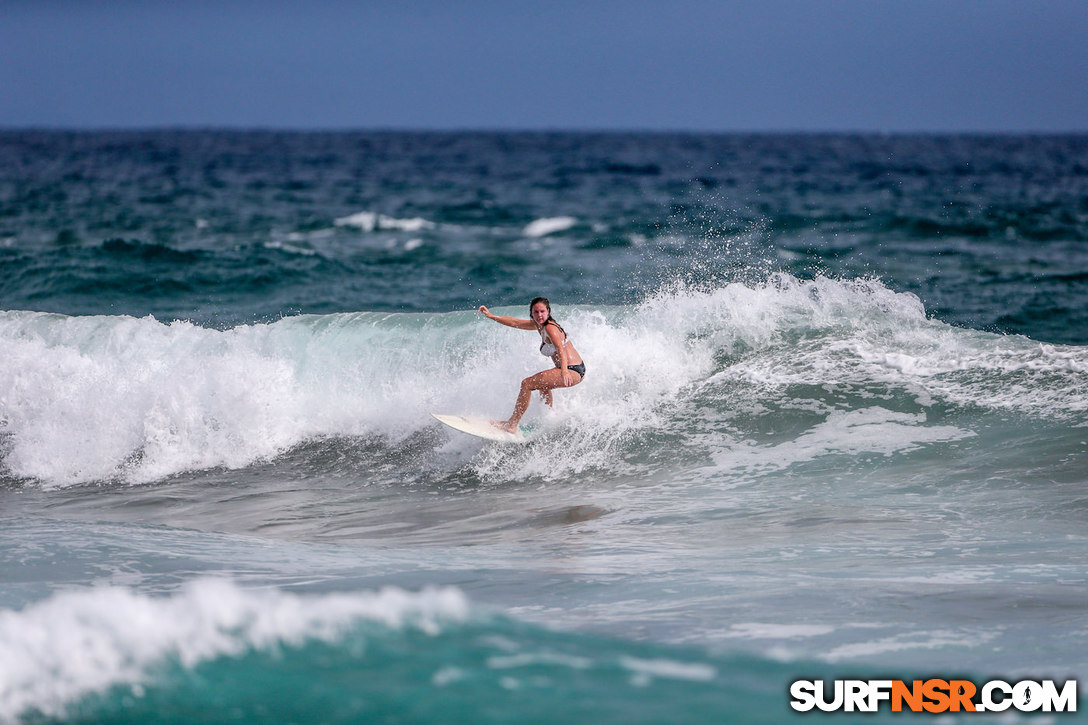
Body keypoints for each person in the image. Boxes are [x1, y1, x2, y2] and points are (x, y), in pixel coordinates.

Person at [478, 297, 585, 433]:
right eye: (536, 312)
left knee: (527, 384)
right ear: (531, 313)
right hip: (570, 368)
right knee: (542, 385)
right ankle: (549, 420)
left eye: (542, 311)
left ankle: (512, 424)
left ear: (548, 311)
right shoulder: (538, 325)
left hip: (572, 370)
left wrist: (564, 372)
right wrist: (491, 315)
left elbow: (561, 350)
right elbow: (515, 322)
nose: (539, 315)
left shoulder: (550, 327)